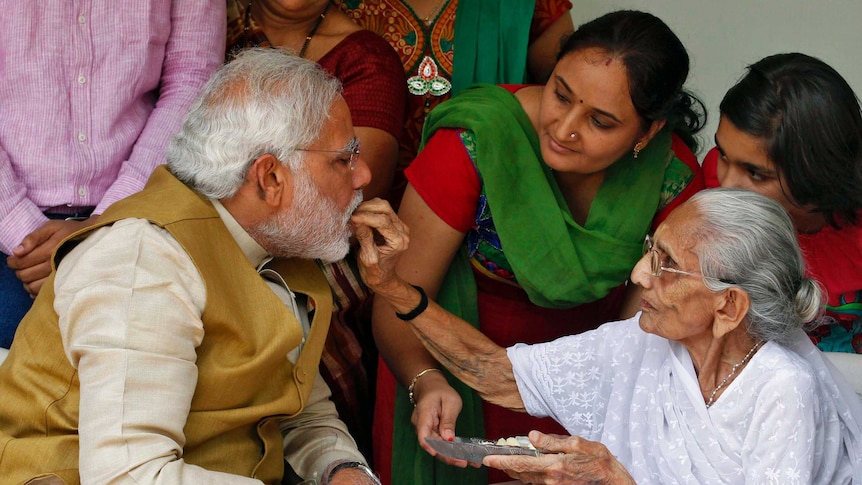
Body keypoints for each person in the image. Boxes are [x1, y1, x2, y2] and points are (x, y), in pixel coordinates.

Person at [0, 49, 382, 485]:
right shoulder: (144, 260)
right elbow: (130, 476)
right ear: (270, 177)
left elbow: (300, 413)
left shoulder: (279, 249)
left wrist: (344, 470)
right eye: (344, 157)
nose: (364, 174)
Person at [369, 10, 707, 484]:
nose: (565, 128)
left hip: (589, 401)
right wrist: (425, 381)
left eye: (601, 122)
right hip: (447, 381)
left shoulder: (670, 182)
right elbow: (397, 297)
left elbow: (640, 340)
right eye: (560, 95)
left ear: (647, 133)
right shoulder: (475, 141)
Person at [353, 188, 862, 484]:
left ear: (727, 305)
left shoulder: (782, 389)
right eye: (651, 249)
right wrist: (396, 291)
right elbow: (500, 375)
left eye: (666, 265)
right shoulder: (643, 341)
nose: (640, 274)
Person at [226, 0, 407, 460]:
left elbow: (347, 194)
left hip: (318, 240)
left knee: (300, 312)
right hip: (217, 223)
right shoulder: (210, 29)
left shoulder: (364, 57)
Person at [0, 1, 226, 349]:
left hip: (145, 213)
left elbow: (194, 77)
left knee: (159, 363)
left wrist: (110, 223)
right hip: (13, 233)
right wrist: (22, 232)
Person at [333, 0, 576, 206]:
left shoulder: (524, 6)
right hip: (348, 219)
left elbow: (573, 103)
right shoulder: (325, 7)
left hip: (487, 230)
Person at [702, 53, 862, 353]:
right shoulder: (714, 176)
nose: (727, 184)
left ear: (817, 175)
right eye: (723, 153)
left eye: (755, 173)